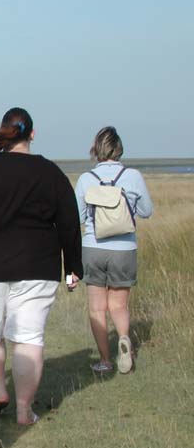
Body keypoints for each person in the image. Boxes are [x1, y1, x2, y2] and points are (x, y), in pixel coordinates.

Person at [0, 107, 82, 425]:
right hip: (38, 266)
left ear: (3, 132)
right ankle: (25, 411)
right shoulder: (51, 173)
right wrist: (73, 267)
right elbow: (69, 223)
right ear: (32, 135)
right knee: (29, 338)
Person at [74, 126, 153, 375]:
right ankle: (123, 339)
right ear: (119, 148)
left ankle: (105, 360)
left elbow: (78, 216)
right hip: (124, 248)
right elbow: (147, 211)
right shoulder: (134, 176)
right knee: (119, 305)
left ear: (96, 149)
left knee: (97, 308)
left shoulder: (87, 179)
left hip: (93, 248)